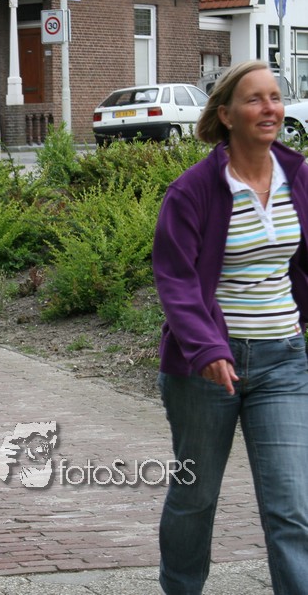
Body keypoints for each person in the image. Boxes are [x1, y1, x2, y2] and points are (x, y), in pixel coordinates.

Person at [153, 60, 308, 594]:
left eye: (275, 97)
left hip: (283, 358)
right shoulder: (193, 190)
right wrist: (207, 348)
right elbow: (175, 278)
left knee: (291, 505)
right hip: (206, 369)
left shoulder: (298, 177)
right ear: (226, 114)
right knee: (196, 498)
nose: (270, 108)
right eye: (254, 99)